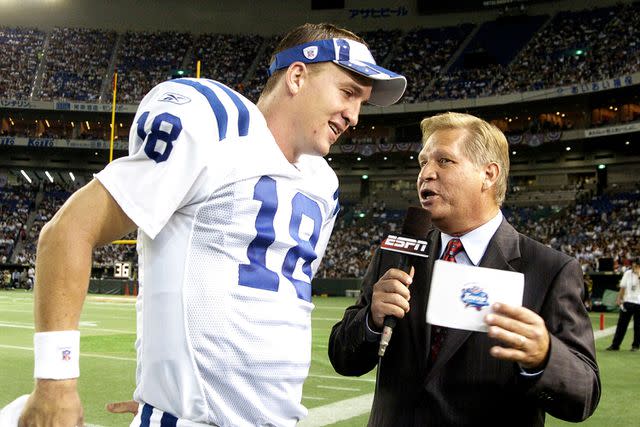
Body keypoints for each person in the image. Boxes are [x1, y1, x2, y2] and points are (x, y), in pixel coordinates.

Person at [9, 23, 407, 426]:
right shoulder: (218, 126)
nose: (355, 116)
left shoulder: (324, 185)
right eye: (347, 92)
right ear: (298, 76)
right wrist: (55, 381)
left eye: (362, 102)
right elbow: (67, 231)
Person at [328, 112, 600, 426]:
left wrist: (544, 356)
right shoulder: (396, 253)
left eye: (444, 161)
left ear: (489, 174)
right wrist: (371, 320)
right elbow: (343, 358)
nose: (426, 173)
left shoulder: (549, 269)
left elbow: (585, 394)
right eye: (422, 162)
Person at [606, 258, 640, 351]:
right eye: (634, 264)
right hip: (627, 301)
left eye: (636, 265)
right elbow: (622, 287)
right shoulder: (627, 273)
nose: (634, 266)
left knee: (638, 326)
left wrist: (638, 274)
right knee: (621, 325)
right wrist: (618, 298)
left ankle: (635, 346)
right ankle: (615, 345)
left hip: (638, 303)